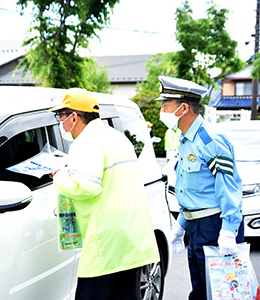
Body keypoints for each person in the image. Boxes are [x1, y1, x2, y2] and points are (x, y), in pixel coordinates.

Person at [48, 88, 160, 300]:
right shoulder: (116, 137)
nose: (59, 121)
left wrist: (60, 177)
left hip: (106, 242)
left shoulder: (85, 142)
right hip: (130, 238)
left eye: (61, 115)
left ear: (74, 116)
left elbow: (87, 186)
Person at [156, 76, 244, 300]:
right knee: (201, 289)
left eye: (165, 105)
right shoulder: (186, 139)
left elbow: (228, 187)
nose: (162, 110)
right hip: (196, 226)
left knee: (219, 292)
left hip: (213, 226)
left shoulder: (209, 140)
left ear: (183, 108)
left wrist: (228, 231)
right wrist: (181, 224)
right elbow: (195, 192)